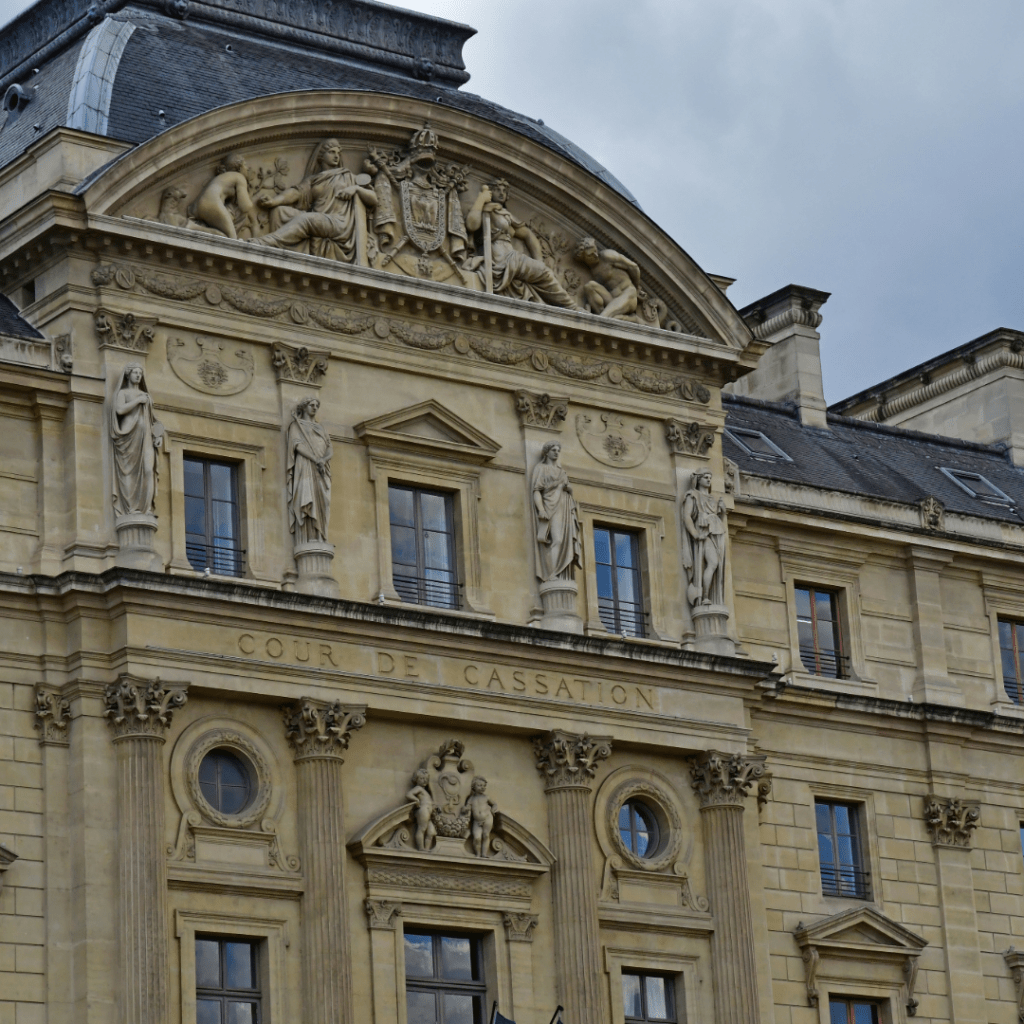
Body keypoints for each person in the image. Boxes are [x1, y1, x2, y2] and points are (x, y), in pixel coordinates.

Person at [252, 138, 377, 262]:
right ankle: (282, 256)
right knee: (279, 211)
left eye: (338, 153)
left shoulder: (347, 176)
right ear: (321, 156)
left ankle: (265, 242)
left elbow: (373, 198)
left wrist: (356, 189)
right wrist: (275, 201)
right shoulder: (314, 179)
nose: (336, 156)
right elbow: (296, 192)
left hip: (339, 223)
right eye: (331, 152)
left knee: (306, 219)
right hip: (320, 220)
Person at [465, 181, 577, 308]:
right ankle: (572, 308)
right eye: (497, 189)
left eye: (504, 191)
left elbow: (528, 235)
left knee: (544, 271)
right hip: (500, 259)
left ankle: (571, 307)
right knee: (545, 273)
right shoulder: (483, 210)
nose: (501, 193)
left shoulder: (505, 214)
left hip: (511, 257)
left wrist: (539, 260)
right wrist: (481, 199)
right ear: (490, 191)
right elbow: (471, 224)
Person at [110, 363, 162, 515]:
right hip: (128, 436)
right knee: (129, 472)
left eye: (140, 373)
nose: (138, 375)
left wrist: (158, 436)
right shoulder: (123, 393)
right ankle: (131, 509)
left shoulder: (147, 397)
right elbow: (119, 410)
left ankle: (146, 509)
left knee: (147, 470)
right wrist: (137, 401)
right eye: (135, 372)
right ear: (128, 375)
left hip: (146, 437)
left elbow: (154, 420)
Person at [531, 441, 582, 581]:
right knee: (556, 539)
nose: (556, 452)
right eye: (553, 449)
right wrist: (541, 509)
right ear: (547, 452)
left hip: (563, 506)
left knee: (561, 539)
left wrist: (568, 488)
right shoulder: (541, 468)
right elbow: (537, 490)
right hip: (549, 506)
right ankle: (551, 573)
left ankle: (558, 572)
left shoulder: (562, 472)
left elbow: (569, 490)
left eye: (558, 450)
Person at [285, 397, 332, 544]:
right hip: (305, 465)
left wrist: (323, 459)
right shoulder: (296, 426)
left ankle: (320, 534)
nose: (315, 408)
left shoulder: (321, 428)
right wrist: (314, 458)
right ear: (304, 407)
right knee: (306, 497)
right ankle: (307, 537)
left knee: (322, 501)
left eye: (317, 405)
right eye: (311, 405)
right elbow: (297, 445)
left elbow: (330, 447)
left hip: (322, 468)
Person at [681, 470, 727, 607]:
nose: (708, 480)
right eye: (705, 477)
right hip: (704, 532)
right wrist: (695, 534)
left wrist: (723, 512)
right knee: (713, 563)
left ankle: (710, 596)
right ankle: (705, 597)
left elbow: (719, 519)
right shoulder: (692, 495)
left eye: (710, 478)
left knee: (717, 565)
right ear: (698, 479)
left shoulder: (713, 498)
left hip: (718, 531)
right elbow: (686, 516)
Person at [188, 153, 258, 239]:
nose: (248, 168)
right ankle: (192, 226)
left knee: (223, 236)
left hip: (196, 207)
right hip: (211, 203)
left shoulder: (223, 177)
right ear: (239, 167)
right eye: (245, 165)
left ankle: (195, 227)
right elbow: (245, 206)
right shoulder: (239, 177)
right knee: (231, 239)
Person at [573, 236, 641, 320]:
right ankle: (622, 318)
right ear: (584, 258)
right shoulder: (593, 271)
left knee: (603, 317)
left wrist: (637, 287)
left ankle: (608, 316)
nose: (596, 255)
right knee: (589, 286)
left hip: (628, 294)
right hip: (612, 299)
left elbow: (633, 267)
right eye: (590, 255)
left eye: (595, 250)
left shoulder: (607, 256)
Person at [463, 777, 497, 858]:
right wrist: (465, 809)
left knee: (486, 835)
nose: (482, 787)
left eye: (483, 786)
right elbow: (467, 807)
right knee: (477, 838)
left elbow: (494, 804)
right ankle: (478, 854)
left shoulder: (486, 797)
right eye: (479, 785)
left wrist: (493, 809)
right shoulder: (471, 798)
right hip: (476, 821)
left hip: (487, 818)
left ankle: (484, 854)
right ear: (474, 786)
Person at [407, 768, 436, 851]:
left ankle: (426, 848)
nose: (424, 781)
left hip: (429, 812)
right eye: (422, 778)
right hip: (423, 810)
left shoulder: (425, 791)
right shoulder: (418, 788)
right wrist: (416, 800)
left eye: (426, 779)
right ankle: (421, 848)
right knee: (422, 828)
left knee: (431, 832)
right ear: (416, 779)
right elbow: (409, 794)